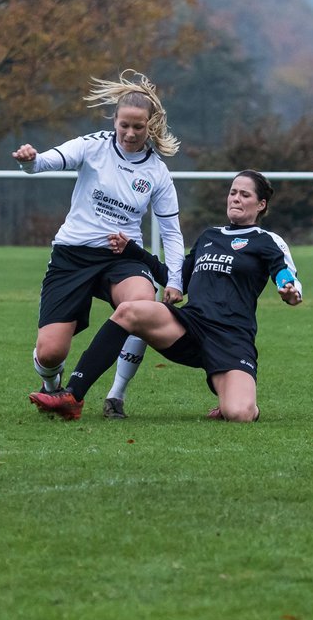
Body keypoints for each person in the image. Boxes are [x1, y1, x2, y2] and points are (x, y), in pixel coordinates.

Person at [30, 170, 302, 422]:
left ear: (261, 204)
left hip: (231, 339)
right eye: (233, 192)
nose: (236, 198)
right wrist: (132, 251)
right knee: (131, 309)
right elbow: (174, 280)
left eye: (245, 195)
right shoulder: (210, 236)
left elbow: (284, 273)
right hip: (190, 327)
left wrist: (289, 289)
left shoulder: (266, 240)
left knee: (239, 414)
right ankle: (72, 395)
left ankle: (236, 400)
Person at [13, 70, 185, 419]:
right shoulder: (92, 146)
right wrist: (31, 160)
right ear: (115, 120)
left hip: (121, 256)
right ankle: (53, 387)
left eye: (138, 127)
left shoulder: (156, 172)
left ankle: (115, 397)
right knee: (49, 353)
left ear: (150, 126)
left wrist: (175, 278)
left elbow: (171, 232)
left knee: (140, 305)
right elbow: (47, 162)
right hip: (72, 255)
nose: (130, 133)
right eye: (125, 125)